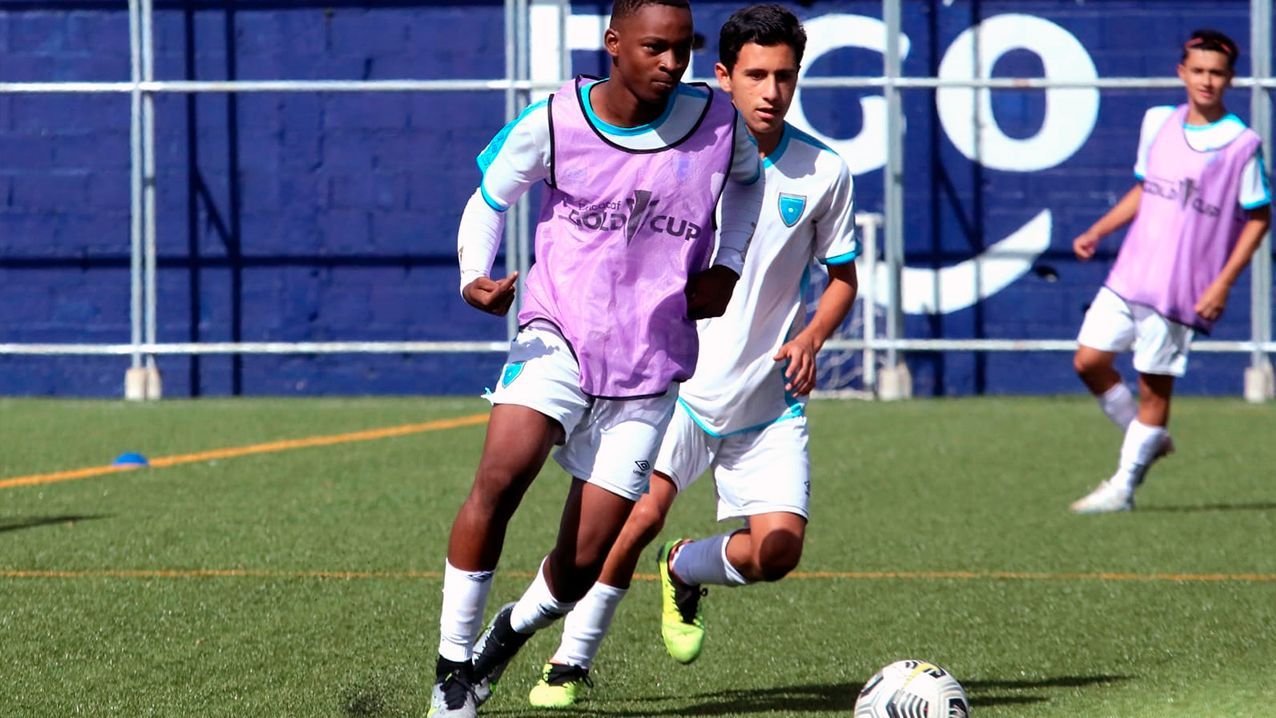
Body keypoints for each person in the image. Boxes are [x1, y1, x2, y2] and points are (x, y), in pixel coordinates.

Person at [428, 0, 765, 715]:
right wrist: (472, 276)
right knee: (501, 474)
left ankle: (507, 635)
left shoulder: (718, 123)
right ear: (614, 44)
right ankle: (451, 671)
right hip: (557, 337)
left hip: (648, 368)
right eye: (654, 49)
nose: (670, 64)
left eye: (682, 50)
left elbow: (748, 182)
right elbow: (489, 200)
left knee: (580, 566)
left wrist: (728, 263)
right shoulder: (555, 118)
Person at [524, 4, 859, 708]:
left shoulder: (824, 169)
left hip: (765, 400)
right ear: (723, 77)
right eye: (757, 75)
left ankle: (685, 569)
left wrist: (810, 337)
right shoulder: (682, 155)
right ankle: (569, 663)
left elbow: (843, 278)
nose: (772, 91)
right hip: (678, 382)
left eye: (786, 76)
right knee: (635, 517)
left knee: (777, 553)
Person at [1069, 28, 1271, 514]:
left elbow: (1259, 216)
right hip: (1129, 274)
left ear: (1230, 79)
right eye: (1198, 71)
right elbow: (1145, 188)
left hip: (1181, 289)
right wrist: (1098, 229)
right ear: (1181, 72)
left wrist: (1222, 282)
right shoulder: (1157, 121)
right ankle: (1147, 438)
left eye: (1217, 73)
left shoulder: (1242, 144)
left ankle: (1123, 487)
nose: (1207, 81)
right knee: (1088, 361)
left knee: (1153, 384)